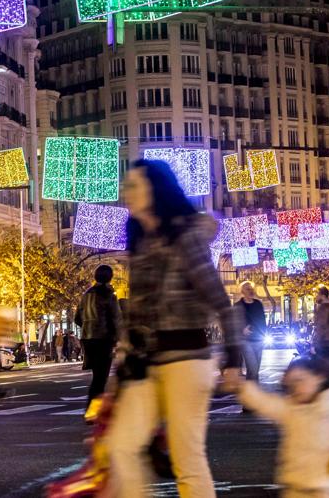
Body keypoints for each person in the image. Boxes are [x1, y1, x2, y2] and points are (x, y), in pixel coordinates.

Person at [104, 159, 244, 498]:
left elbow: (219, 300)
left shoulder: (183, 237)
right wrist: (118, 371)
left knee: (187, 461)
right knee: (121, 446)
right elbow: (134, 315)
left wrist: (233, 360)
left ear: (155, 189)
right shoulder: (138, 240)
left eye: (134, 185)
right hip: (146, 364)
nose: (127, 193)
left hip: (187, 361)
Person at [225, 356, 329, 498]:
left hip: (326, 488)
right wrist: (241, 388)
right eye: (291, 385)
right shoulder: (291, 408)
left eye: (300, 381)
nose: (296, 389)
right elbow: (265, 403)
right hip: (295, 485)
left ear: (319, 377)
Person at [74, 264, 121, 408]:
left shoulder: (86, 295)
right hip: (103, 339)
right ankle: (92, 410)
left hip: (88, 340)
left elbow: (77, 318)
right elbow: (116, 319)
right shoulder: (108, 295)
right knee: (101, 378)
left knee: (97, 377)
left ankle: (92, 410)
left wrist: (88, 326)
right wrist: (119, 337)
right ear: (109, 277)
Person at [237, 281, 267, 384]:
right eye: (248, 289)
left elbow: (262, 320)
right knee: (253, 368)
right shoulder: (238, 306)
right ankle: (253, 393)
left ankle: (251, 392)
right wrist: (242, 329)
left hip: (259, 339)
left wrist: (264, 333)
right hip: (246, 341)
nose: (251, 291)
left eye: (252, 289)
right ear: (242, 291)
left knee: (254, 370)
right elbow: (234, 322)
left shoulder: (258, 304)